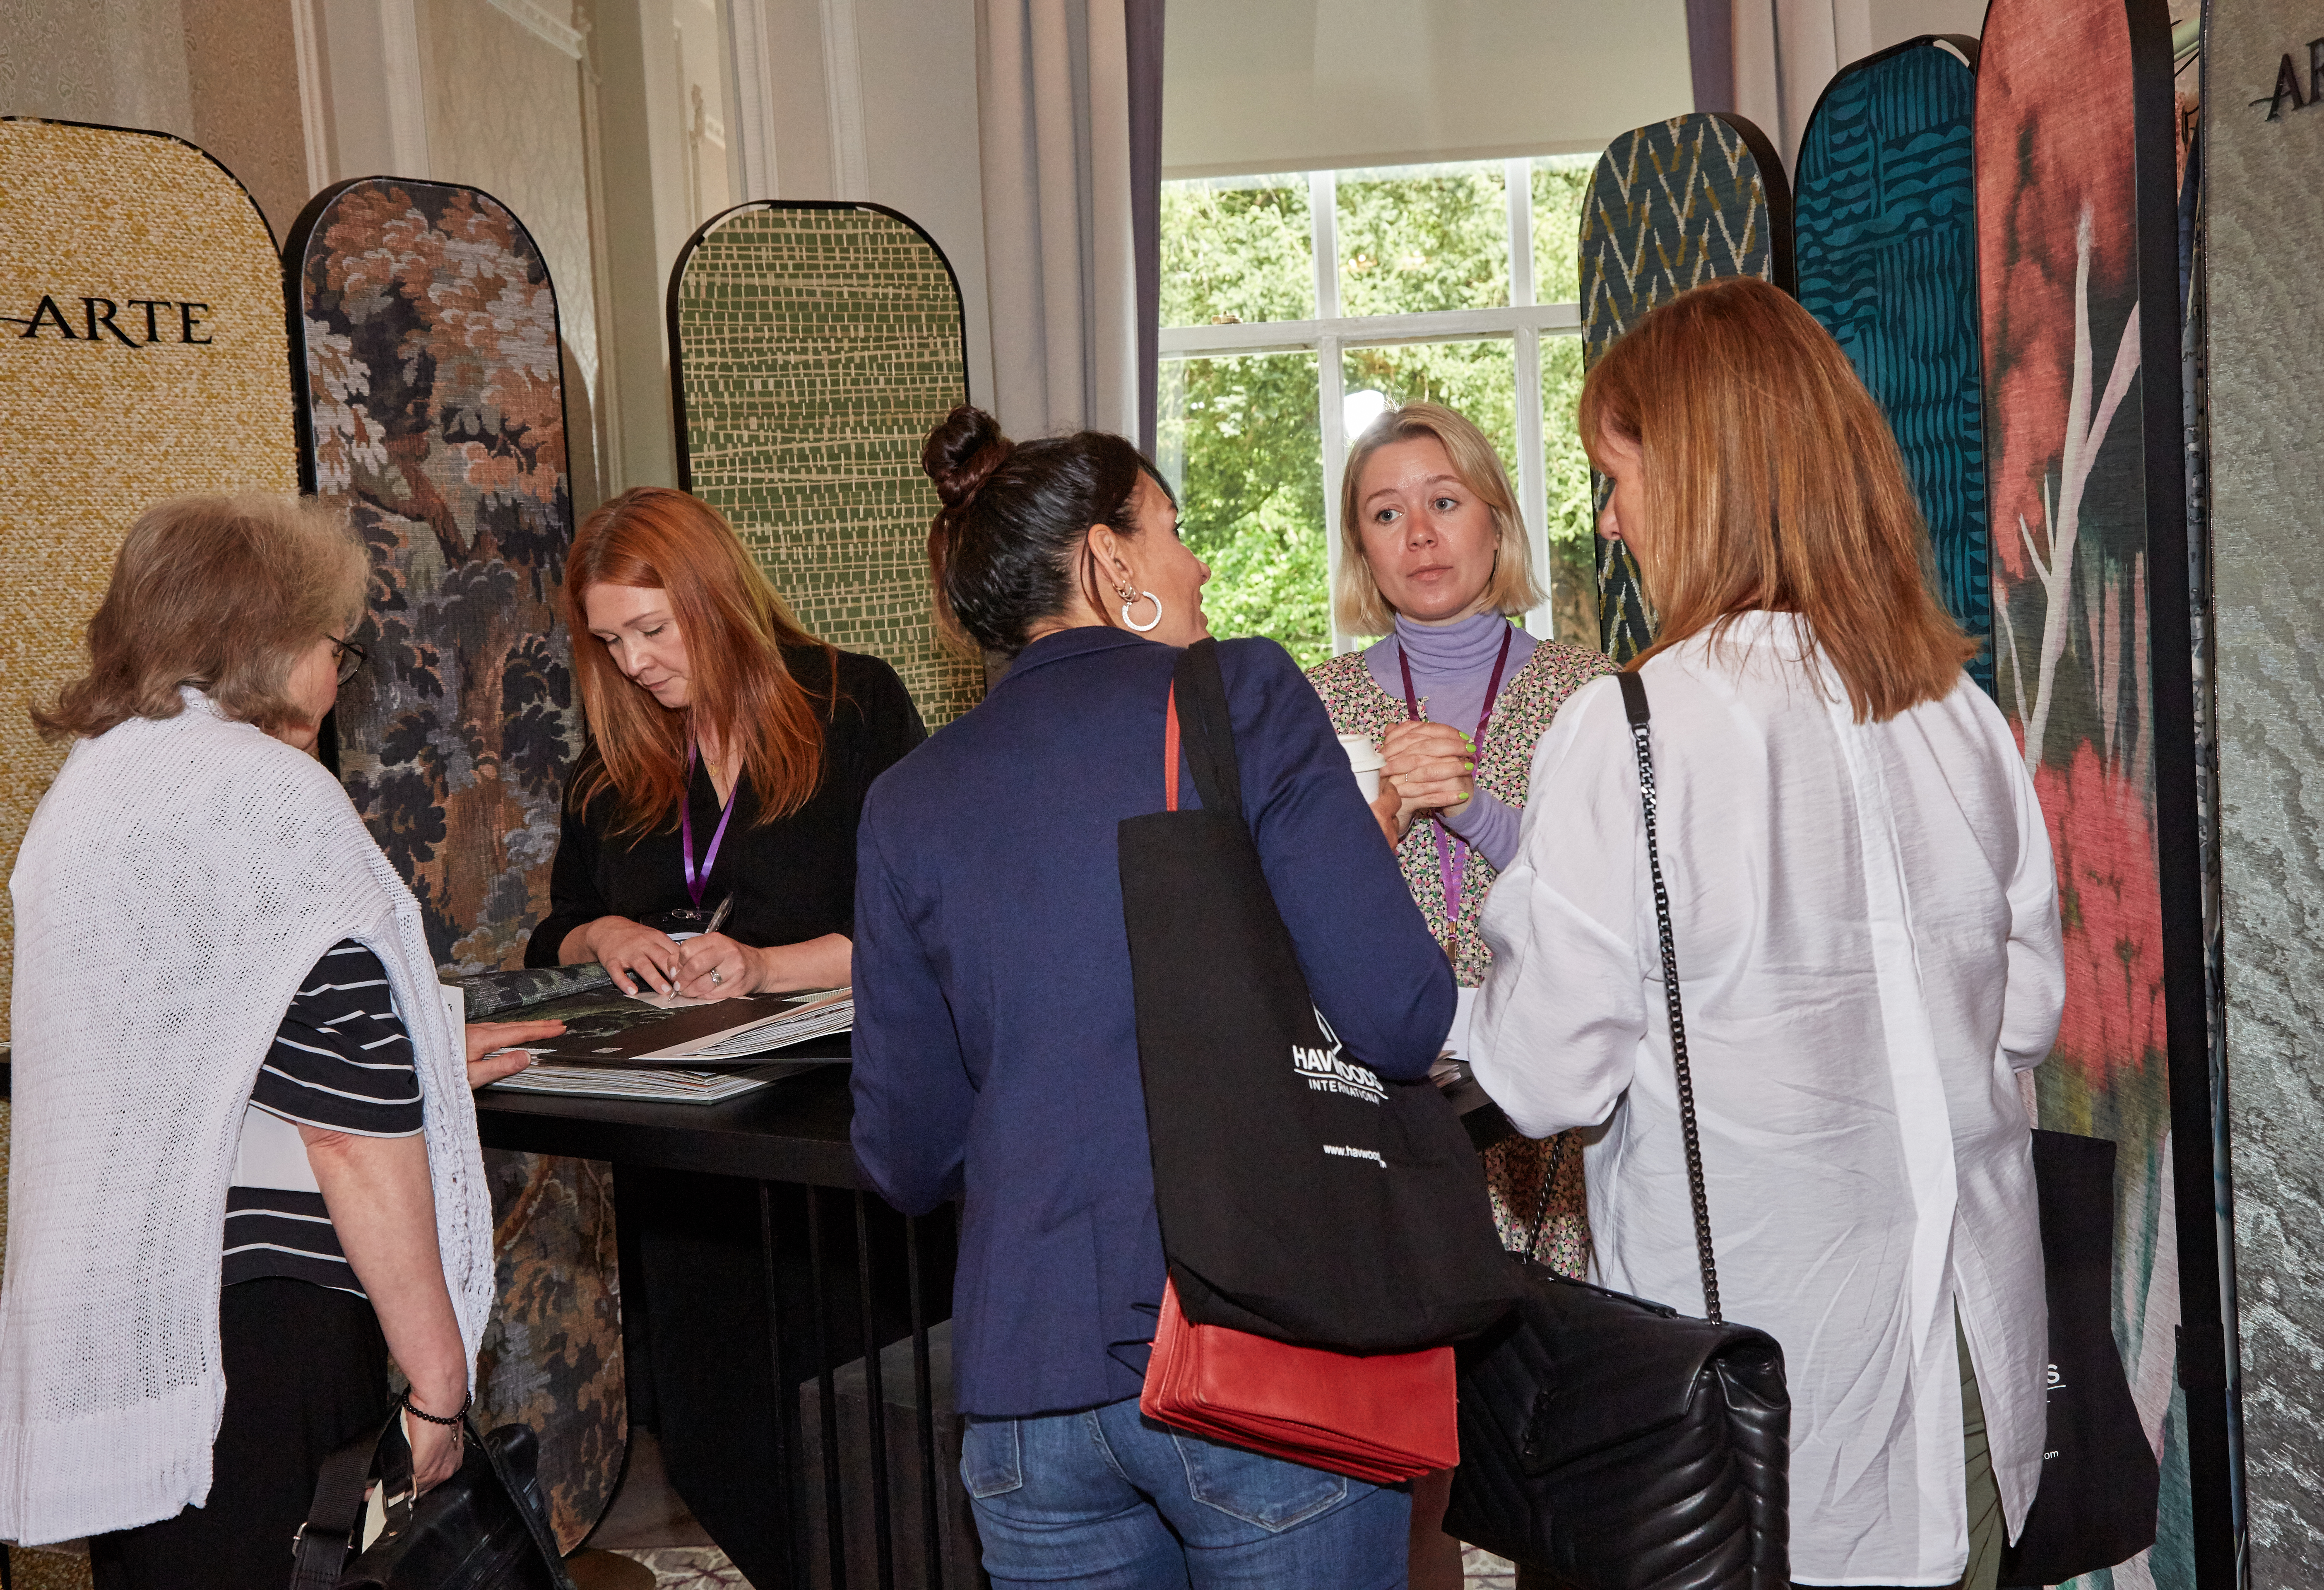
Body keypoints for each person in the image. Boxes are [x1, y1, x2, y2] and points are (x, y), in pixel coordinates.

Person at [1469, 277, 2061, 1590]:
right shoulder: (1959, 712)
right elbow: (2026, 1016)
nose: (1609, 519)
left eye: (1618, 478)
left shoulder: (1629, 730)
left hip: (1752, 1401)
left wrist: (1429, 1011)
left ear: (1703, 477)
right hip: (1970, 1352)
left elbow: (1549, 1069)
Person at [848, 406, 1454, 1590]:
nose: (1200, 562)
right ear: (1107, 559)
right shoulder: (1243, 695)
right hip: (1252, 1342)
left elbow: (908, 1153)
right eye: (1172, 530)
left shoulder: (909, 799)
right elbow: (1400, 1013)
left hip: (1025, 1386)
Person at [0, 494, 561, 1588]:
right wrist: (439, 1382)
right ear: (277, 642)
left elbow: (197, 1046)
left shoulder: (99, 792)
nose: (339, 673)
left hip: (138, 1324)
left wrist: (421, 1066)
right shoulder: (266, 803)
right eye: (335, 643)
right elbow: (347, 1133)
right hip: (266, 1334)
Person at [523, 485, 924, 1583]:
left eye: (654, 630)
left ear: (717, 598)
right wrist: (603, 932)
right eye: (612, 643)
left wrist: (764, 968)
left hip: (838, 1143)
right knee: (722, 1443)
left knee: (864, 1441)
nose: (638, 662)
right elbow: (553, 927)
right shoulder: (611, 767)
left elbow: (928, 922)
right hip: (684, 1160)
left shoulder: (854, 706)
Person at [1303, 401, 1615, 1586]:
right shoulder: (1311, 702)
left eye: (1444, 501)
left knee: (1566, 1438)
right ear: (1362, 548)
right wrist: (1379, 821)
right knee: (1408, 1450)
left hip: (1560, 1116)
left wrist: (1478, 810)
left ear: (1495, 519)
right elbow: (1281, 913)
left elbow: (1625, 901)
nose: (1420, 534)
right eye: (1386, 512)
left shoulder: (1595, 691)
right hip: (1389, 1112)